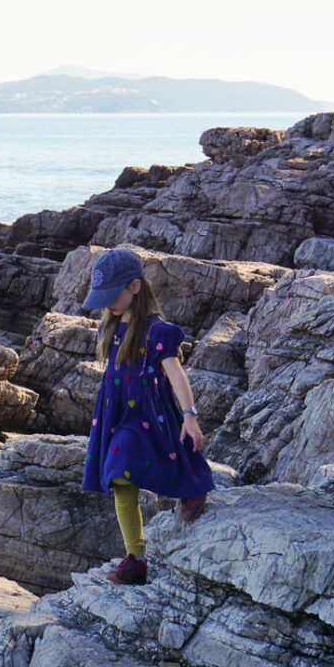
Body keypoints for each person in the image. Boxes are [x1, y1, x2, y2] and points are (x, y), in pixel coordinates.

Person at [81, 248, 215, 585]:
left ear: (135, 287)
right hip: (116, 413)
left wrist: (190, 415)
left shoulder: (157, 332)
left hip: (148, 411)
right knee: (119, 477)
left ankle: (192, 488)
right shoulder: (109, 327)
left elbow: (176, 374)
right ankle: (136, 559)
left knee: (154, 458)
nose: (107, 304)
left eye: (112, 296)